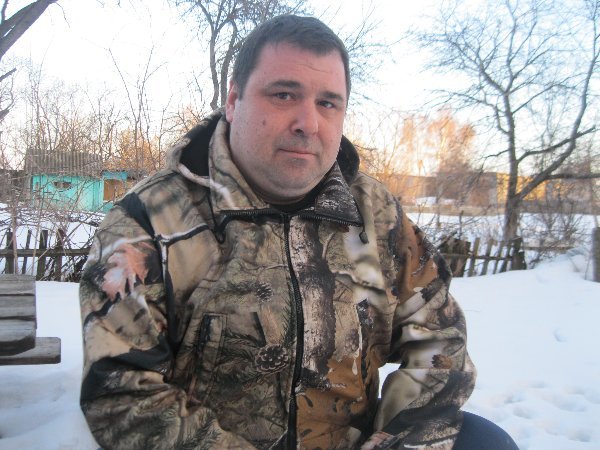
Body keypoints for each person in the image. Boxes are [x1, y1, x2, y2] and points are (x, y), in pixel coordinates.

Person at [79, 15, 517, 450]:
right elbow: (123, 395)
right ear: (233, 101)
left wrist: (395, 442)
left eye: (328, 103)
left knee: (486, 443)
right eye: (284, 95)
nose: (309, 122)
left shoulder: (376, 213)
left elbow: (440, 341)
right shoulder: (149, 224)